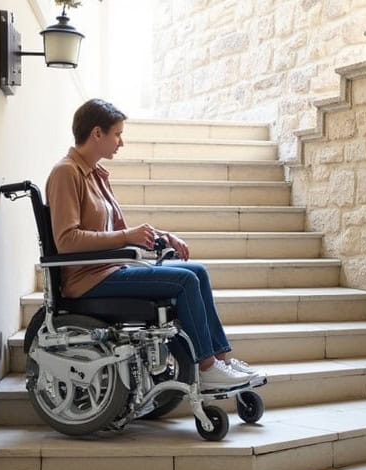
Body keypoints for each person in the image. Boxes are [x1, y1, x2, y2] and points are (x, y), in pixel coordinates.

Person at [45, 98, 263, 388]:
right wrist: (127, 236)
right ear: (97, 133)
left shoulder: (95, 174)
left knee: (197, 271)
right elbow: (66, 240)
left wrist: (161, 235)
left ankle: (222, 360)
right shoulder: (66, 172)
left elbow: (121, 231)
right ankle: (208, 367)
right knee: (185, 281)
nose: (121, 143)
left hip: (111, 269)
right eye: (117, 134)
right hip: (88, 279)